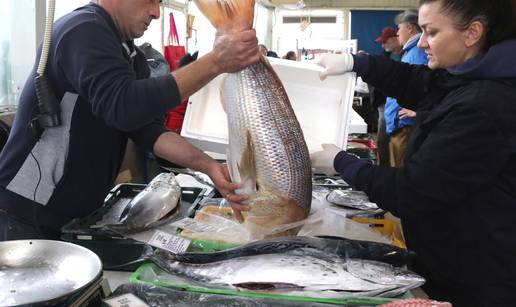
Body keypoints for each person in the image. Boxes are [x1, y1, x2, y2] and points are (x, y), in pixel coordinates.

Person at [310, 0, 516, 305]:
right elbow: (419, 82)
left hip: (477, 270)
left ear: (472, 33)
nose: (421, 43)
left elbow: (412, 191)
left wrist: (344, 164)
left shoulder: (485, 103)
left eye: (431, 32)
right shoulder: (471, 76)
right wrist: (358, 63)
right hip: (456, 250)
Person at [0, 0, 257, 241]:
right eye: (150, 0)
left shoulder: (131, 56)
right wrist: (216, 62)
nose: (156, 12)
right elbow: (123, 106)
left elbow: (147, 130)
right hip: (27, 213)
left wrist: (209, 166)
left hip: (74, 215)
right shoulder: (82, 30)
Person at [383, 10, 428, 168]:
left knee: (401, 171)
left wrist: (417, 113)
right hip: (401, 124)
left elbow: (426, 88)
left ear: (409, 28)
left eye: (399, 28)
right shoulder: (411, 52)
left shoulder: (417, 54)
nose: (397, 33)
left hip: (406, 125)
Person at [373, 27, 403, 166]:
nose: (383, 45)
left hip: (401, 105)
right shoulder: (384, 57)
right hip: (385, 104)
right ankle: (384, 168)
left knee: (398, 141)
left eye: (385, 42)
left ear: (394, 39)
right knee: (382, 140)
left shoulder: (408, 55)